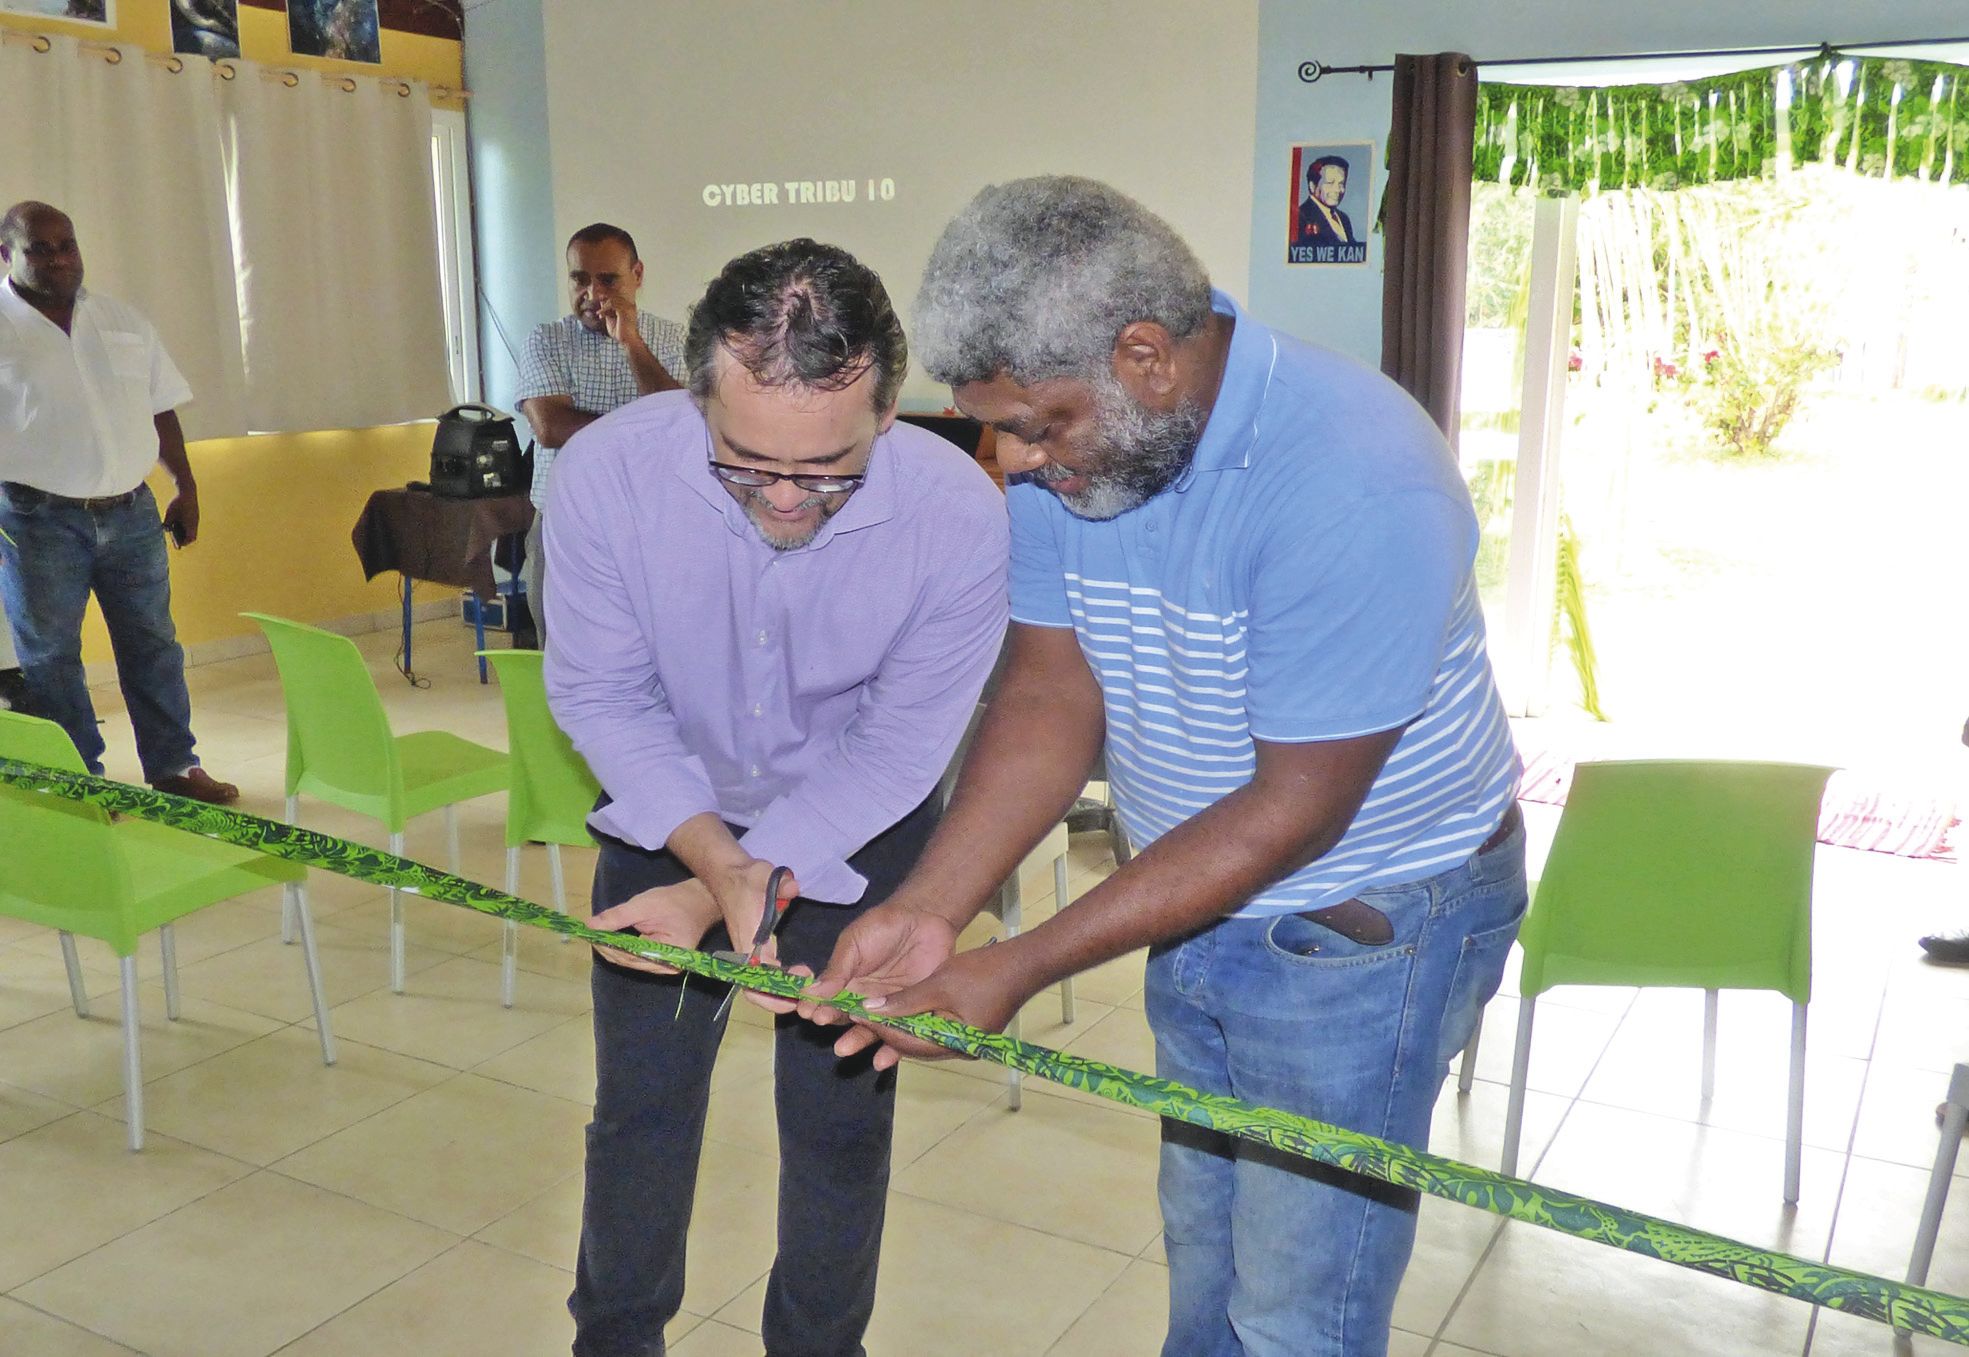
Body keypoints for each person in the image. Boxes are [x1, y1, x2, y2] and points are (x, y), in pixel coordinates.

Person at [797, 177, 1526, 1357]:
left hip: (1363, 925)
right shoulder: (1085, 454)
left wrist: (1017, 967)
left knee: (1298, 1308)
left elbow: (1294, 810)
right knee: (1209, 1264)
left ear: (1145, 356)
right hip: (1199, 896)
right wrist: (934, 909)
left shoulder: (1353, 478)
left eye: (1032, 423)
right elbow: (1048, 691)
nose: (1011, 458)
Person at [544, 237, 1008, 1357]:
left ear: (892, 409)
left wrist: (730, 894)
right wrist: (710, 865)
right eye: (744, 462)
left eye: (827, 469)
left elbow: (900, 747)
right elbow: (603, 694)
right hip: (669, 819)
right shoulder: (610, 472)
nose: (785, 499)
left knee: (839, 1126)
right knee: (640, 1116)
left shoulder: (958, 514)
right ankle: (613, 1340)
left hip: (861, 831)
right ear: (697, 393)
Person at [0, 201, 237, 803]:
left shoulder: (120, 319)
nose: (58, 258)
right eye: (40, 248)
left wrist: (185, 485)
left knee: (153, 642)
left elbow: (160, 406)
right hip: (36, 521)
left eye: (66, 244)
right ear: (7, 255)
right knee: (52, 657)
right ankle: (80, 782)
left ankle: (175, 767)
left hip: (132, 513)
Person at [516, 223, 686, 646]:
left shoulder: (673, 339)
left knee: (651, 653)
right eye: (579, 278)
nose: (592, 293)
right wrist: (642, 428)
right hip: (563, 528)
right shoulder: (547, 340)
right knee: (559, 656)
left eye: (607, 279)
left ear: (638, 275)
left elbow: (679, 424)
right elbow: (551, 427)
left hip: (648, 530)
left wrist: (631, 343)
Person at [1298, 155, 1357, 246]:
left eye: (1341, 184)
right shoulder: (1301, 217)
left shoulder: (1343, 218)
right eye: (1330, 183)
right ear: (1312, 186)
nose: (1337, 189)